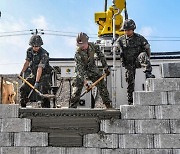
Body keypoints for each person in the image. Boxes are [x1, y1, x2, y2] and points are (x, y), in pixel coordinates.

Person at [116, 19, 155, 105]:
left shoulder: (139, 38)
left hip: (137, 60)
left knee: (143, 54)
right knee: (130, 81)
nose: (126, 32)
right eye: (125, 30)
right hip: (128, 63)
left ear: (133, 29)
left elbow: (147, 47)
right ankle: (130, 101)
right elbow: (115, 47)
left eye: (128, 30)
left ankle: (148, 73)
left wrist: (147, 58)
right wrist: (119, 48)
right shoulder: (121, 39)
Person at [69, 32, 112, 109]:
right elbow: (80, 71)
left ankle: (108, 105)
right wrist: (85, 83)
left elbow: (101, 55)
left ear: (87, 42)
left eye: (83, 45)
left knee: (102, 85)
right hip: (81, 71)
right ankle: (72, 108)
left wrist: (105, 67)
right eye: (80, 46)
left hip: (92, 69)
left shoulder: (93, 46)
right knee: (76, 88)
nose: (82, 47)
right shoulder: (77, 53)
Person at [19, 35, 52, 108]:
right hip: (33, 74)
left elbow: (40, 68)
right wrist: (21, 73)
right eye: (33, 46)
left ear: (40, 45)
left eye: (37, 46)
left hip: (44, 75)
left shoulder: (44, 54)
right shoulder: (29, 51)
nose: (35, 48)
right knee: (23, 88)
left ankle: (46, 110)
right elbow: (27, 63)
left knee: (43, 92)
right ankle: (23, 108)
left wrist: (37, 82)